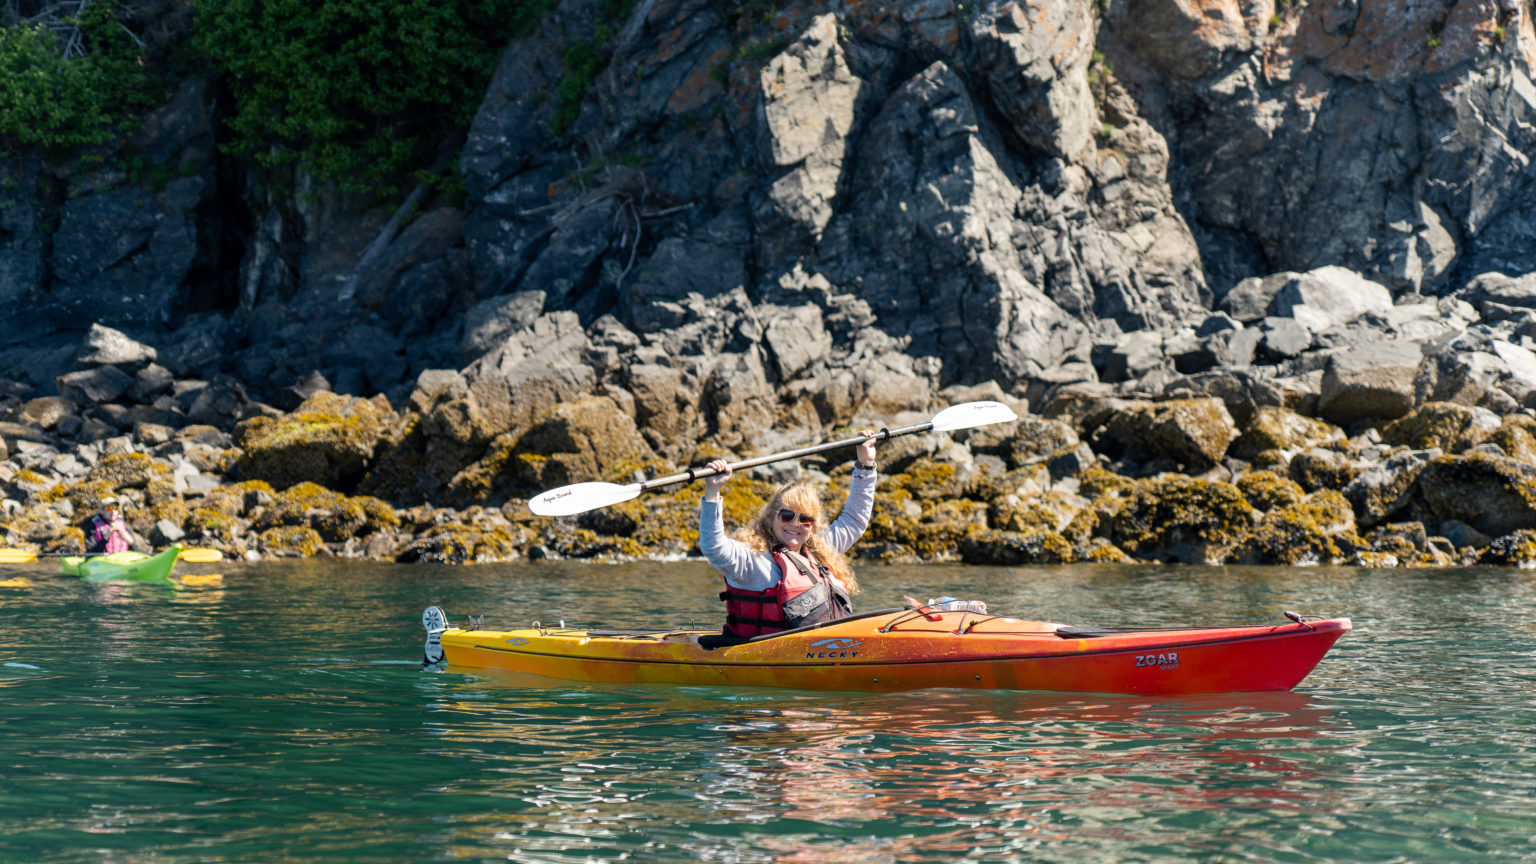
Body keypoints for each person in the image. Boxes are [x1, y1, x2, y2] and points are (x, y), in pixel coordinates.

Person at [699, 431, 878, 639]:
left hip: (823, 650)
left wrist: (865, 464)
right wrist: (713, 492)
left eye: (805, 519)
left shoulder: (820, 551)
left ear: (812, 526)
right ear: (771, 518)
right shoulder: (752, 561)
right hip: (762, 658)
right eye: (787, 515)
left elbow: (855, 520)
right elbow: (713, 546)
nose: (795, 524)